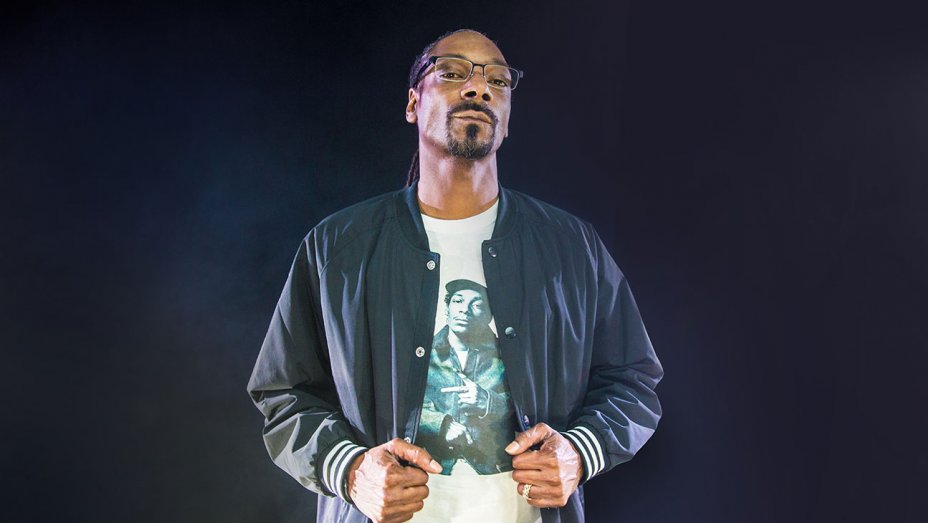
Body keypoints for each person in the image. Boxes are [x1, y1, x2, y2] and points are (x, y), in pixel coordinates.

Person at [247, 28, 663, 523]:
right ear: (412, 103)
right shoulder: (338, 248)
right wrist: (352, 470)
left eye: (498, 80)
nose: (479, 87)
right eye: (452, 72)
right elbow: (283, 392)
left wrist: (579, 452)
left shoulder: (572, 249)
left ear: (507, 116)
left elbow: (632, 381)